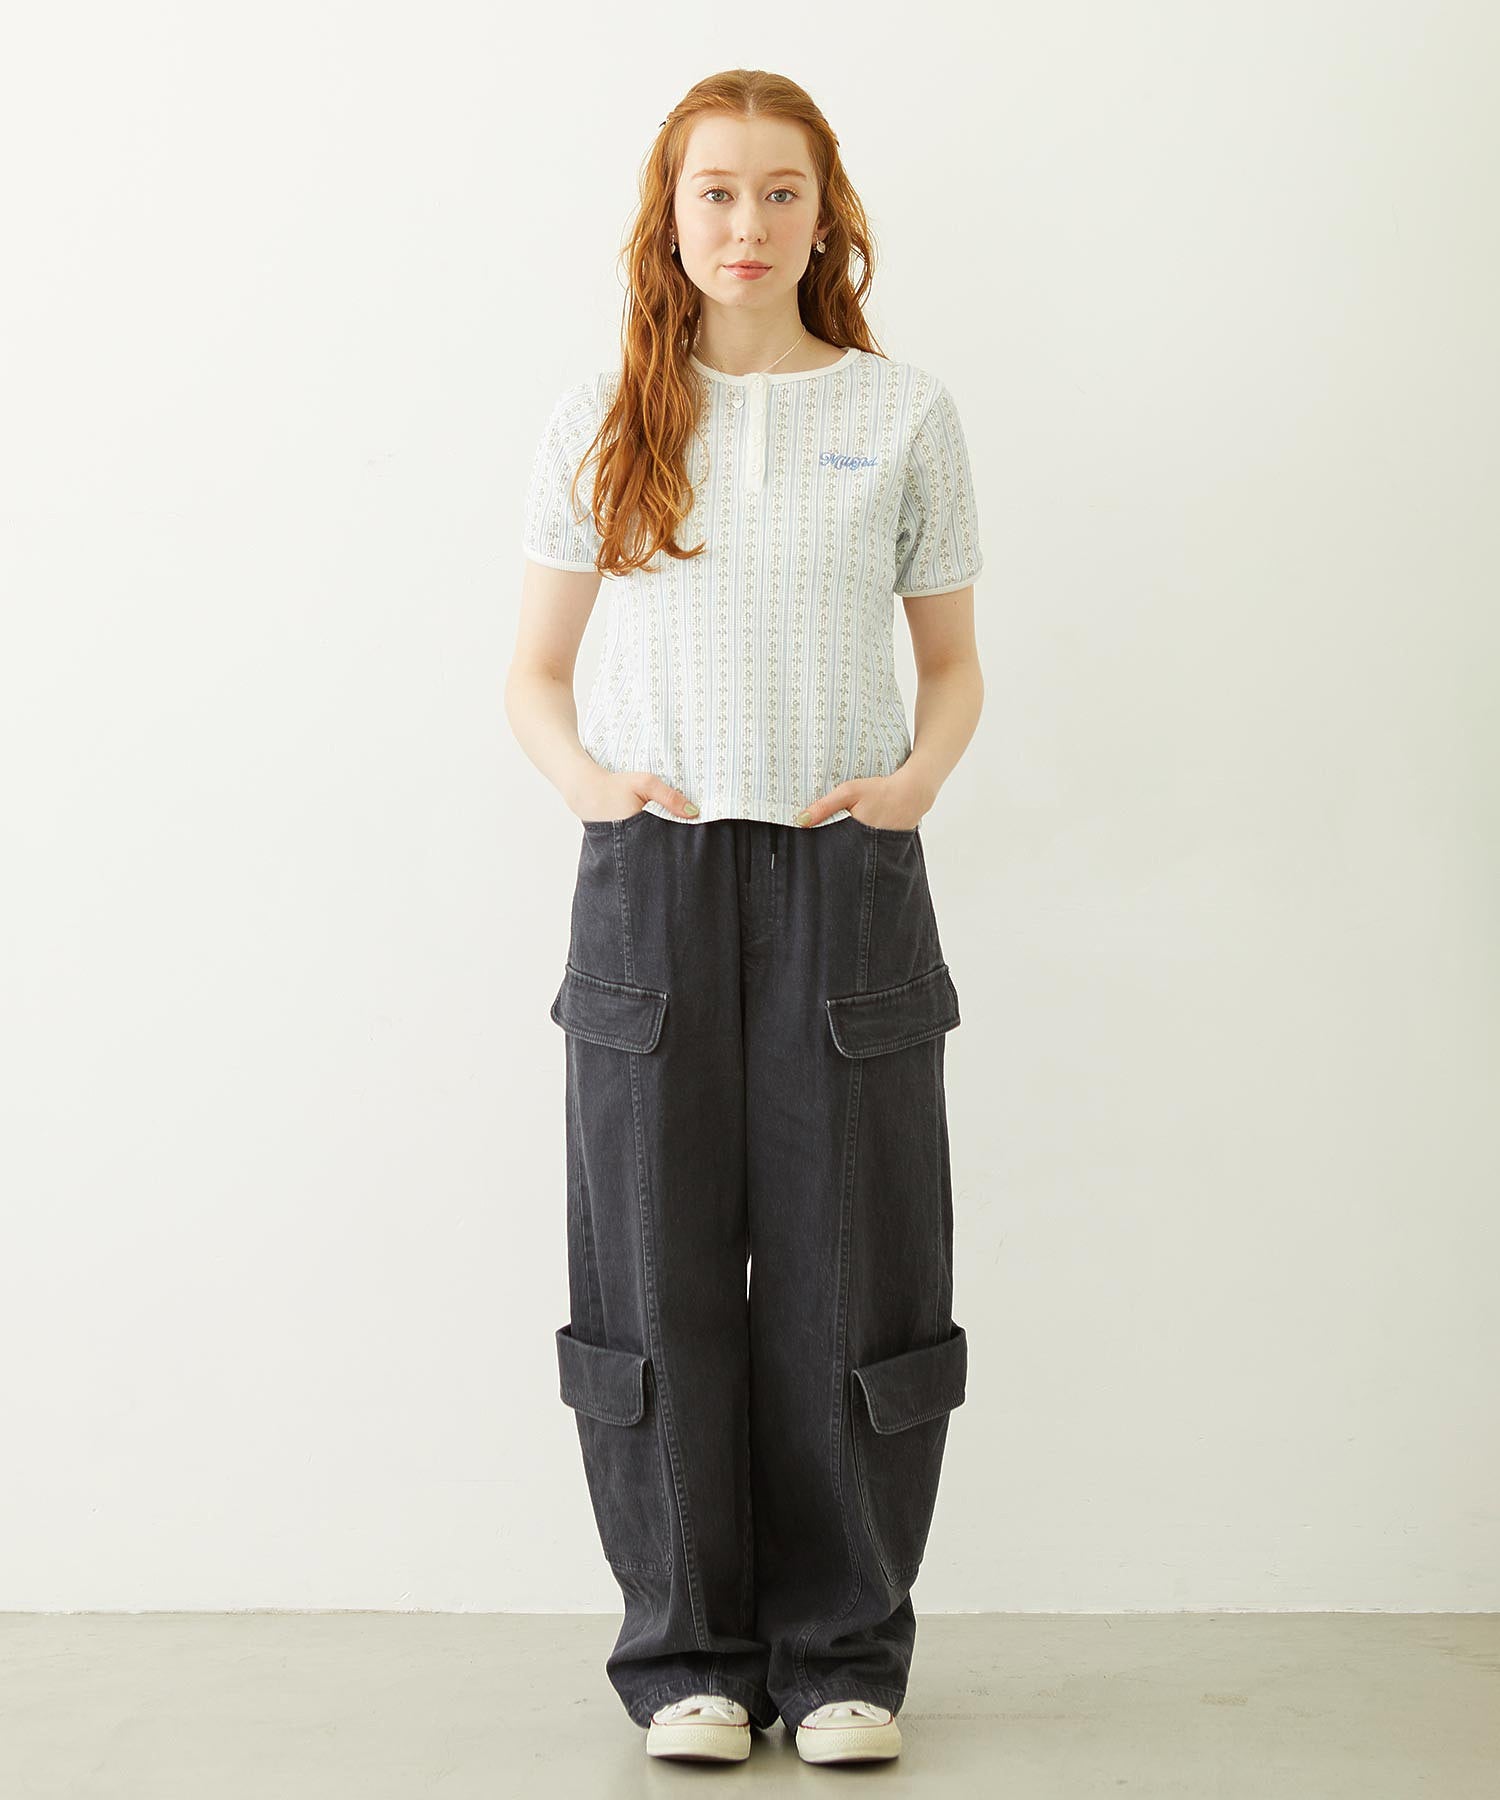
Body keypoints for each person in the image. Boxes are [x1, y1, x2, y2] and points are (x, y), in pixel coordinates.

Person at [505, 69, 985, 1768]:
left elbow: (951, 664)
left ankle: (844, 1656)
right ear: (672, 215)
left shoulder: (903, 412)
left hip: (847, 878)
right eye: (717, 191)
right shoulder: (606, 416)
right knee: (654, 1273)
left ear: (825, 214)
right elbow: (534, 671)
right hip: (652, 883)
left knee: (855, 1270)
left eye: (782, 192)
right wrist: (591, 786)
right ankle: (686, 1658)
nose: (749, 223)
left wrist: (915, 783)